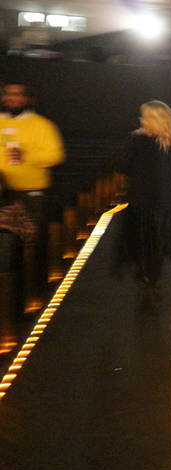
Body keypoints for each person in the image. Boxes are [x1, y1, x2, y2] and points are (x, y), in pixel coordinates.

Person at [113, 100, 171, 305]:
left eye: (144, 116)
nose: (141, 120)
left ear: (153, 119)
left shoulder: (137, 141)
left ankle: (145, 281)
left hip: (142, 202)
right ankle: (152, 281)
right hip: (165, 204)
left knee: (140, 245)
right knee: (157, 246)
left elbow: (121, 165)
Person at [0, 81, 64, 305]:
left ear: (27, 98)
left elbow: (55, 155)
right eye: (9, 94)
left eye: (18, 94)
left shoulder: (42, 125)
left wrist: (27, 156)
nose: (13, 98)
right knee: (6, 249)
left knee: (33, 244)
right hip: (3, 193)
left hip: (32, 193)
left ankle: (34, 296)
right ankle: (9, 299)